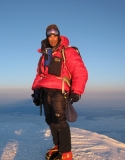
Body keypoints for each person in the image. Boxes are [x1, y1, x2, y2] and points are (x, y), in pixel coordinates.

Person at [31, 24, 88, 160]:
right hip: (45, 91)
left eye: (54, 35)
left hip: (60, 90)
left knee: (60, 120)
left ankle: (66, 152)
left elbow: (80, 71)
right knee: (50, 120)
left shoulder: (68, 52)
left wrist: (76, 91)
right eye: (49, 35)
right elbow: (39, 75)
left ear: (58, 35)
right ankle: (58, 146)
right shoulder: (45, 55)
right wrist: (36, 91)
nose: (52, 38)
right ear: (47, 37)